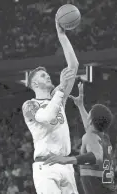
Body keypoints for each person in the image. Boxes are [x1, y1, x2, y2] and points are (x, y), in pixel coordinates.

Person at [22, 17, 79, 194]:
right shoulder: (29, 105)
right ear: (34, 84)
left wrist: (61, 35)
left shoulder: (58, 97)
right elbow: (46, 118)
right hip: (45, 166)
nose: (47, 76)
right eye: (42, 76)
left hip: (66, 164)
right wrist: (61, 88)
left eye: (47, 74)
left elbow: (74, 65)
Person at [44, 82, 117, 194]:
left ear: (91, 120)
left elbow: (97, 156)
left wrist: (67, 160)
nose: (87, 115)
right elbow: (90, 127)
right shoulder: (103, 138)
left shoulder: (90, 137)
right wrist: (80, 105)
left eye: (90, 114)